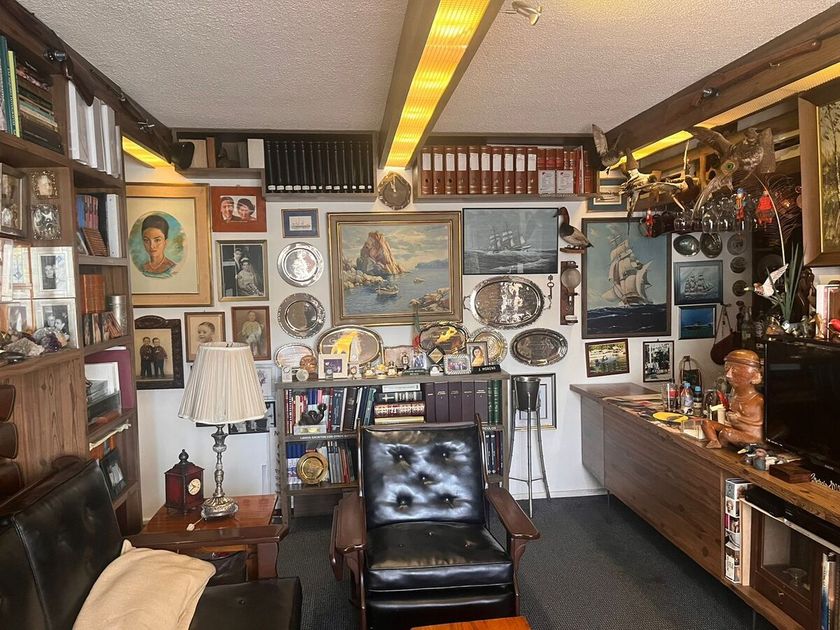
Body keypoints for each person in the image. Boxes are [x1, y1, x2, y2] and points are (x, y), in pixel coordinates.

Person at [702, 349, 765, 449]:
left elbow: (761, 425)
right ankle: (714, 441)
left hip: (751, 436)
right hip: (736, 430)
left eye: (735, 371)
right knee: (706, 423)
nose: (728, 375)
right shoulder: (734, 394)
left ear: (754, 376)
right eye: (727, 368)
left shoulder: (758, 400)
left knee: (726, 433)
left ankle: (724, 449)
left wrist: (737, 418)